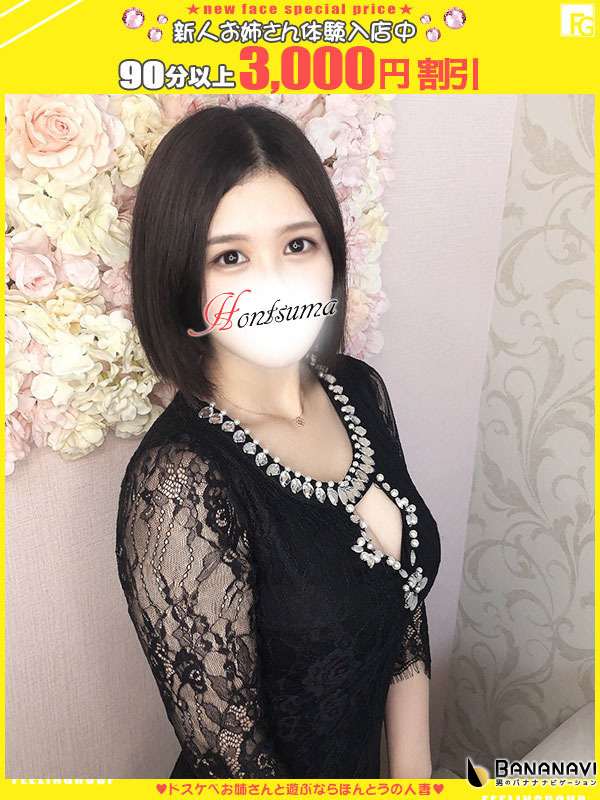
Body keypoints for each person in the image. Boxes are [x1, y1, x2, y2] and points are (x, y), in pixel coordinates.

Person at [115, 103, 442, 779]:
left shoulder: (360, 390)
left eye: (297, 245)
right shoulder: (181, 483)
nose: (275, 285)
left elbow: (402, 601)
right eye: (231, 257)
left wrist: (415, 778)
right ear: (181, 281)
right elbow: (237, 763)